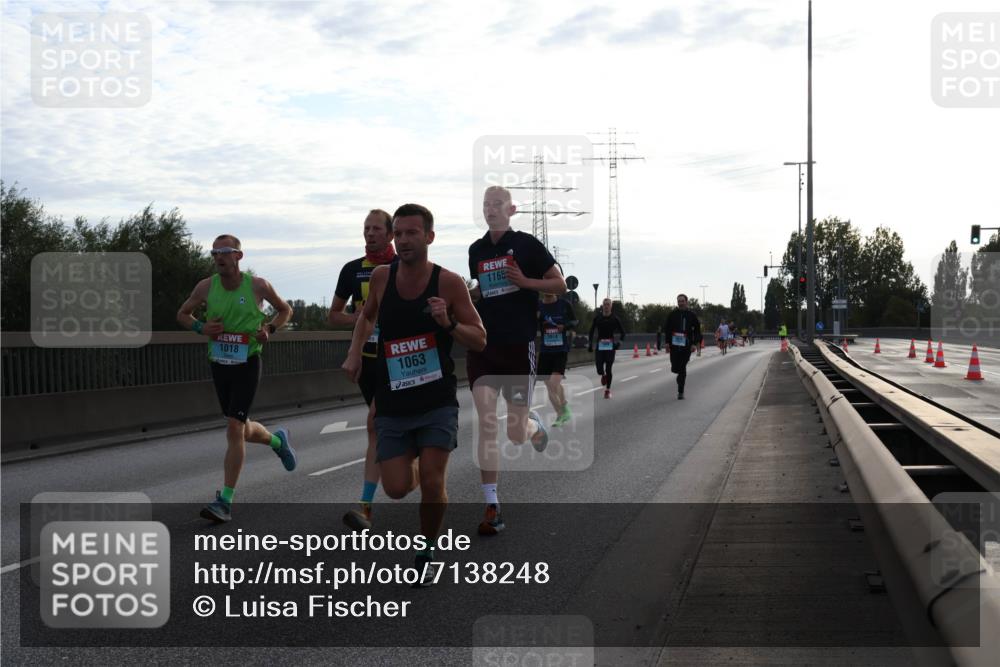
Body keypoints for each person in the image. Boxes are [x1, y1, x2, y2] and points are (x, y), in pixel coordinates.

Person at [342, 203, 486, 578]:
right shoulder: (382, 279)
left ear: (429, 237)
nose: (403, 240)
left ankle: (426, 550)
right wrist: (355, 353)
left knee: (434, 481)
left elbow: (480, 339)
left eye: (412, 233)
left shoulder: (449, 282)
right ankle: (421, 464)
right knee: (396, 487)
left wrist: (448, 321)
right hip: (392, 399)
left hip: (436, 399)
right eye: (399, 234)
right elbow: (367, 316)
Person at [467, 186, 567, 535]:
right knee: (486, 423)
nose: (491, 210)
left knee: (515, 434)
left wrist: (524, 281)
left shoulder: (526, 245)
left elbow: (560, 283)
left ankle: (533, 426)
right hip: (483, 347)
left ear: (511, 209)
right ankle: (492, 504)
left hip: (518, 346)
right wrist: (471, 295)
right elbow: (485, 290)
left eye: (497, 205)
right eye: (486, 205)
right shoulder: (476, 250)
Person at [177, 234, 297, 523]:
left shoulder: (257, 286)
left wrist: (269, 328)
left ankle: (225, 501)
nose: (219, 257)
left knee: (233, 427)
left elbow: (285, 310)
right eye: (215, 252)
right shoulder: (206, 287)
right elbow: (182, 313)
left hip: (248, 362)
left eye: (225, 252)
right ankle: (278, 442)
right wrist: (200, 328)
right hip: (219, 363)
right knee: (240, 429)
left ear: (238, 256)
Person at [329, 209, 397, 532]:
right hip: (368, 360)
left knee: (374, 423)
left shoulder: (403, 267)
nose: (370, 234)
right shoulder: (352, 270)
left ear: (390, 234)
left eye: (376, 229)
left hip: (397, 360)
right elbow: (334, 316)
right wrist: (358, 320)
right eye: (366, 229)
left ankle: (365, 506)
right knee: (382, 428)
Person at [537, 292, 578, 427]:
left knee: (553, 384)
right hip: (545, 351)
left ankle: (563, 412)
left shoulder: (564, 304)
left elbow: (574, 321)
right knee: (549, 385)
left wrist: (564, 327)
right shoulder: (538, 305)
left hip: (560, 350)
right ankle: (562, 412)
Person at [663, 294, 702, 400]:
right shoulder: (672, 315)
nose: (680, 303)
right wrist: (667, 343)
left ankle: (681, 391)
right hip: (674, 346)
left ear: (686, 302)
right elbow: (667, 329)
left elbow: (697, 331)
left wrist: (694, 343)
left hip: (686, 346)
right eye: (679, 301)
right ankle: (679, 377)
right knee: (675, 368)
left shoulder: (691, 315)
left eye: (682, 301)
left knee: (682, 367)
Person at [588, 298, 627, 399]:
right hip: (600, 346)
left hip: (610, 347)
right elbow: (591, 332)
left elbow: (623, 333)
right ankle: (603, 374)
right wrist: (590, 344)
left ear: (611, 306)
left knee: (609, 368)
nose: (606, 306)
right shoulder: (598, 318)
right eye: (604, 304)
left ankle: (608, 390)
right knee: (599, 369)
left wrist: (619, 343)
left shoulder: (615, 318)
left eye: (608, 304)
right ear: (602, 306)